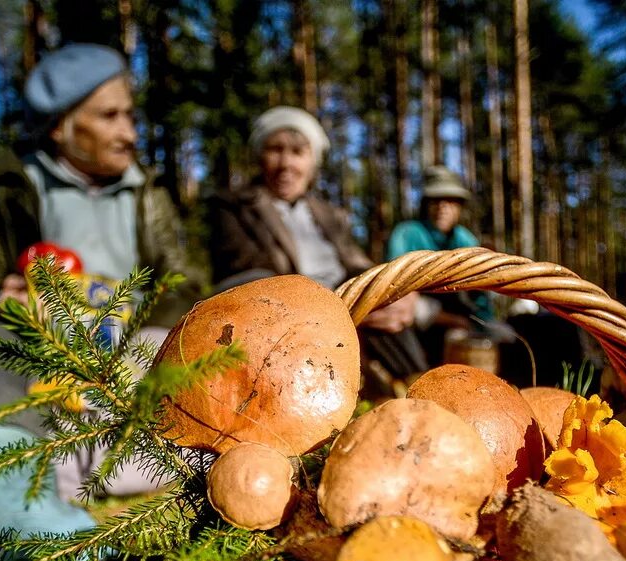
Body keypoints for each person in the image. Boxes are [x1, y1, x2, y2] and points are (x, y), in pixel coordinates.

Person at [0, 44, 203, 536]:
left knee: (187, 349)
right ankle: (27, 512)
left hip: (133, 347)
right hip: (41, 354)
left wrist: (141, 331)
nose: (129, 134)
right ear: (60, 126)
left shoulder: (146, 192)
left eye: (129, 115)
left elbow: (184, 282)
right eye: (110, 116)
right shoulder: (8, 187)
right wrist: (7, 302)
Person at [209, 106, 425, 383]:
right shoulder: (232, 207)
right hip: (286, 315)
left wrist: (392, 289)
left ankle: (417, 388)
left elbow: (357, 263)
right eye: (275, 149)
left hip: (350, 305)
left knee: (389, 303)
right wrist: (338, 304)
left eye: (298, 153)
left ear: (312, 163)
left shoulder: (329, 215)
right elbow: (247, 271)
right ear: (260, 156)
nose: (286, 163)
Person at [385, 165, 505, 368]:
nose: (442, 207)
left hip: (463, 316)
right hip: (419, 318)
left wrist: (482, 324)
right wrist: (447, 319)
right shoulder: (407, 233)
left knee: (503, 337)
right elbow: (393, 287)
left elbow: (480, 297)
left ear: (459, 206)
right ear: (426, 204)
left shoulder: (465, 239)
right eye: (436, 200)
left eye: (449, 200)